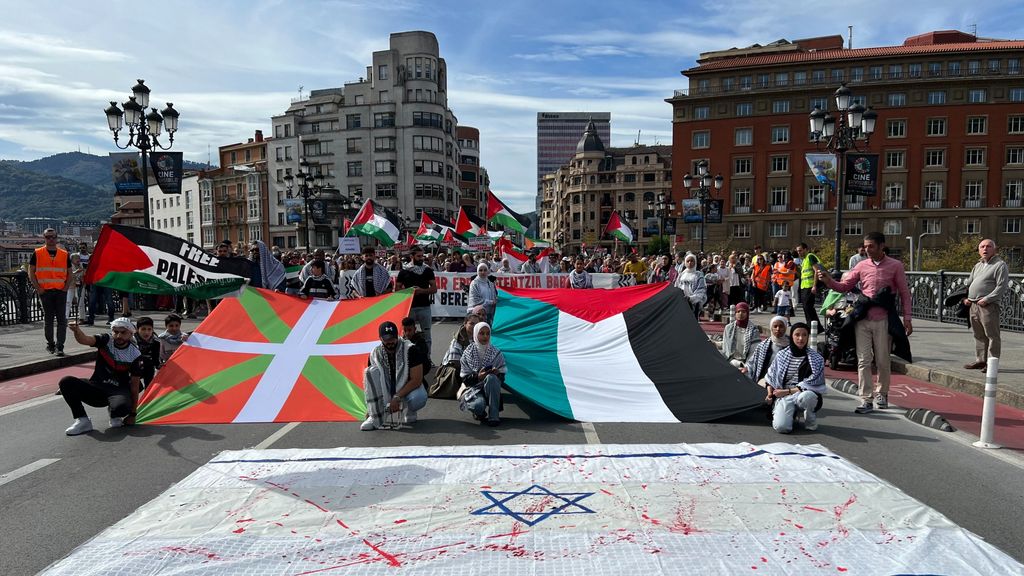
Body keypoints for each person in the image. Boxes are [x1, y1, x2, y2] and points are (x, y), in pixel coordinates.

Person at [817, 232, 912, 414]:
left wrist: (907, 318)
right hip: (862, 319)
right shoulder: (861, 265)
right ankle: (866, 399)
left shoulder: (895, 265)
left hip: (884, 319)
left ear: (881, 246)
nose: (866, 249)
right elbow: (844, 287)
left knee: (883, 360)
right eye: (865, 246)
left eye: (871, 246)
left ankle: (882, 393)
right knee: (863, 360)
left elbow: (905, 293)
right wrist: (828, 281)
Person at [59, 317, 144, 435]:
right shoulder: (106, 339)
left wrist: (133, 414)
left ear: (131, 333)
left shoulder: (135, 354)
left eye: (123, 332)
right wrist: (77, 331)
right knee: (66, 382)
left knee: (121, 408)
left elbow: (135, 387)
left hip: (118, 391)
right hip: (97, 387)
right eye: (116, 332)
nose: (119, 336)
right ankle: (83, 421)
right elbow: (85, 340)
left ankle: (115, 413)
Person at [360, 321, 428, 430]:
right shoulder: (375, 354)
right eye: (386, 339)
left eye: (392, 338)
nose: (390, 342)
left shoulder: (411, 349)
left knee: (418, 398)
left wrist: (396, 397)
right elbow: (371, 383)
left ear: (397, 336)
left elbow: (417, 380)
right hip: (387, 389)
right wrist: (371, 408)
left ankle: (410, 411)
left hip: (407, 389)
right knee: (369, 372)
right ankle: (375, 415)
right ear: (380, 338)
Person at [763, 322, 826, 433]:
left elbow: (815, 382)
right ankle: (789, 414)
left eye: (804, 335)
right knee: (782, 427)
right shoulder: (782, 355)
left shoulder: (816, 358)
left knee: (808, 396)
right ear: (792, 336)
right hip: (783, 396)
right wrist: (769, 394)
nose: (800, 338)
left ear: (808, 337)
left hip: (800, 394)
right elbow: (770, 378)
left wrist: (788, 391)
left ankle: (810, 418)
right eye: (797, 335)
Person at [962, 239, 1010, 370]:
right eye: (982, 247)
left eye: (988, 246)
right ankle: (981, 360)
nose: (985, 249)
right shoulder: (977, 265)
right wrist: (966, 298)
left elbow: (1001, 286)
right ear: (979, 250)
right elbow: (969, 283)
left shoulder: (1000, 265)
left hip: (988, 305)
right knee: (978, 334)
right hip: (973, 305)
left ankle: (992, 364)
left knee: (992, 335)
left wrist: (988, 299)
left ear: (994, 249)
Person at [29, 228, 71, 356]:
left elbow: (69, 273)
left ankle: (60, 346)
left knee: (61, 320)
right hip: (45, 291)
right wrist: (39, 289)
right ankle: (50, 343)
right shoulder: (37, 253)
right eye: (48, 237)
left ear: (57, 238)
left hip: (60, 291)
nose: (51, 239)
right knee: (48, 320)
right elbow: (31, 272)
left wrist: (65, 288)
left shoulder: (64, 254)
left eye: (53, 237)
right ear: (44, 238)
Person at [458, 321, 506, 426]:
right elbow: (464, 378)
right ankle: (479, 411)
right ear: (475, 334)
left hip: (491, 388)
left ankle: (494, 416)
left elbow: (502, 377)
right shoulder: (468, 352)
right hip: (473, 388)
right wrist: (478, 377)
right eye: (481, 333)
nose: (485, 336)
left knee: (491, 378)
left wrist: (497, 374)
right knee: (477, 406)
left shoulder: (496, 352)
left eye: (488, 333)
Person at [396, 245, 438, 359]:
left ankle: (427, 358)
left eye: (422, 256)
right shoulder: (404, 271)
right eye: (418, 256)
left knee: (426, 335)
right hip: (409, 308)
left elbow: (434, 289)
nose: (421, 258)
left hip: (424, 307)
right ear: (411, 256)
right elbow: (397, 288)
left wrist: (421, 291)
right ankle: (406, 358)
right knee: (407, 335)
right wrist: (409, 292)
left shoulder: (428, 270)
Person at [746, 316, 790, 386]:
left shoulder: (791, 346)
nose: (778, 329)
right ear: (771, 328)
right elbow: (753, 362)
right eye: (775, 326)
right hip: (764, 380)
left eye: (781, 326)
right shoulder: (763, 346)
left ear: (785, 328)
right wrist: (746, 368)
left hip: (784, 382)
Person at [795, 243, 823, 328]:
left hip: (810, 286)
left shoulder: (810, 256)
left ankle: (813, 326)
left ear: (806, 249)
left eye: (800, 250)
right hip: (804, 286)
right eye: (798, 251)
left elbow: (816, 271)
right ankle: (815, 326)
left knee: (808, 307)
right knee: (806, 307)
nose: (799, 252)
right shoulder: (804, 260)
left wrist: (814, 286)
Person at [675, 253, 706, 319]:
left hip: (693, 303)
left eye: (692, 261)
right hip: (682, 301)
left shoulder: (699, 275)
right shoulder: (682, 274)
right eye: (688, 261)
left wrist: (691, 298)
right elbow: (677, 286)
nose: (690, 263)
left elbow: (701, 289)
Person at [133, 316, 161, 388]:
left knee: (149, 385)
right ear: (137, 329)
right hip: (133, 367)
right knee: (138, 387)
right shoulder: (132, 340)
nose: (146, 332)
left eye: (149, 329)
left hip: (148, 367)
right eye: (143, 329)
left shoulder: (156, 341)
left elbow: (155, 357)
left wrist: (159, 365)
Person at [66, 253, 84, 322]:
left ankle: (81, 317)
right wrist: (76, 272)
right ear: (72, 259)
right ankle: (65, 318)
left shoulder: (81, 265)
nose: (78, 260)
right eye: (76, 258)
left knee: (81, 302)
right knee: (68, 302)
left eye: (79, 258)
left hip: (79, 285)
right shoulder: (69, 265)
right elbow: (69, 274)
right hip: (71, 285)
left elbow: (83, 275)